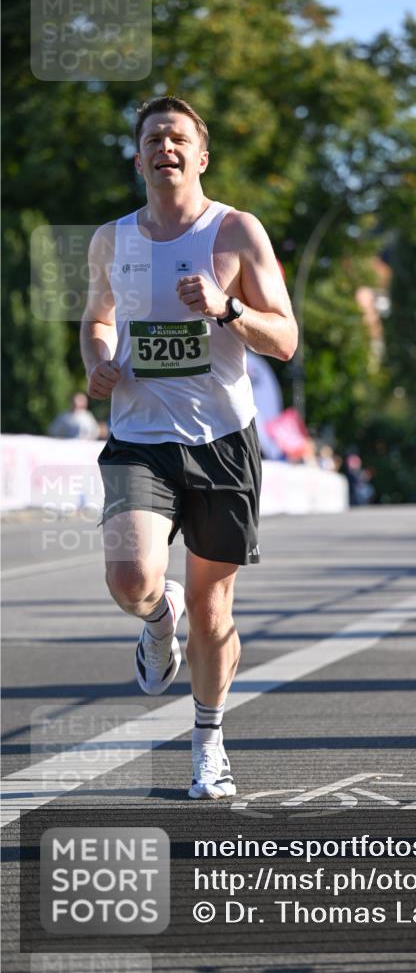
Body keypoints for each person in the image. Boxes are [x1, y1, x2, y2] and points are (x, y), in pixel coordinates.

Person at [80, 96, 297, 800]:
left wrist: (227, 308)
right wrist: (98, 361)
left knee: (213, 606)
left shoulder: (235, 231)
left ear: (201, 156)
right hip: (140, 438)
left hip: (222, 440)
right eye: (153, 139)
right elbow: (96, 320)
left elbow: (286, 339)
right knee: (130, 578)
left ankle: (208, 744)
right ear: (138, 159)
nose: (164, 148)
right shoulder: (112, 240)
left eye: (178, 138)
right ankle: (155, 618)